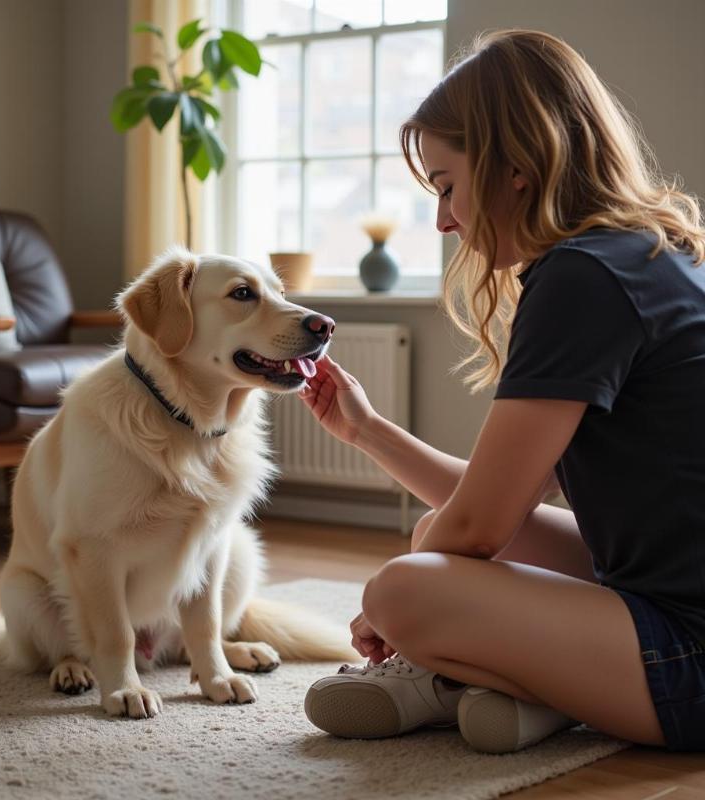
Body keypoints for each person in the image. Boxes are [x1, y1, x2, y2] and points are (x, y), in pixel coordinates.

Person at [298, 29, 705, 754]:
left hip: (688, 658)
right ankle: (517, 693)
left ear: (514, 168)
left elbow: (478, 527)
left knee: (405, 586)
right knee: (432, 541)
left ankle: (454, 678)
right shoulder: (645, 255)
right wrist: (367, 430)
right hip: (660, 601)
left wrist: (382, 612)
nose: (443, 219)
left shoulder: (582, 278)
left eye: (448, 185)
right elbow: (496, 509)